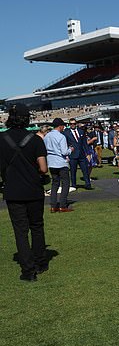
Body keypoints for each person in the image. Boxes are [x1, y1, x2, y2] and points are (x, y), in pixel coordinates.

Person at [0, 104, 49, 280]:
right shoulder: (35, 139)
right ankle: (41, 262)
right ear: (26, 118)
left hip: (13, 190)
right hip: (33, 189)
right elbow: (43, 168)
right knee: (36, 226)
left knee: (20, 231)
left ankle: (28, 271)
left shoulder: (2, 139)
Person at [44, 117, 73, 212]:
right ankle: (62, 205)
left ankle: (53, 205)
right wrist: (70, 150)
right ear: (60, 126)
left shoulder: (47, 136)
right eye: (63, 126)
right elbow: (64, 152)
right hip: (60, 162)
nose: (64, 128)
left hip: (51, 162)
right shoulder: (61, 136)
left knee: (55, 184)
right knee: (65, 184)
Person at [64, 117, 92, 189]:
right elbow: (65, 144)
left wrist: (88, 153)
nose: (73, 125)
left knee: (85, 170)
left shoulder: (81, 131)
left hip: (81, 154)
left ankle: (88, 184)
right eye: (71, 124)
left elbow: (84, 143)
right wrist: (66, 154)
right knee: (73, 171)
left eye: (74, 123)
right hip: (72, 155)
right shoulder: (66, 133)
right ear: (69, 124)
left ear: (76, 124)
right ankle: (73, 185)